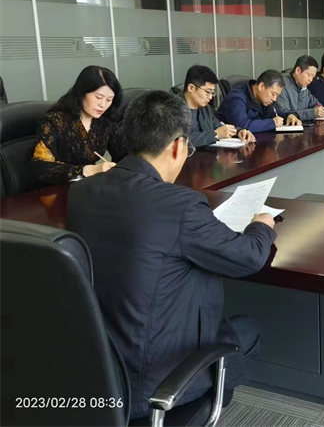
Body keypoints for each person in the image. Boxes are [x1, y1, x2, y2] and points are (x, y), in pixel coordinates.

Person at [66, 91, 278, 418]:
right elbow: (248, 257)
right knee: (248, 330)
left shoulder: (81, 192)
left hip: (96, 370)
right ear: (178, 146)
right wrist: (262, 225)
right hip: (153, 385)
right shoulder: (180, 205)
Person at [31, 65, 126, 183]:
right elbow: (41, 167)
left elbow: (123, 151)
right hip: (58, 187)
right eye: (98, 97)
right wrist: (88, 170)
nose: (102, 105)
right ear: (82, 93)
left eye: (109, 99)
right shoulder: (55, 121)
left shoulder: (104, 121)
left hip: (89, 185)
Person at [182, 65, 254, 148]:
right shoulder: (173, 109)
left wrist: (238, 132)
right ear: (191, 88)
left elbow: (218, 126)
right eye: (207, 92)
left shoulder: (205, 107)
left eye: (212, 93)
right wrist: (215, 134)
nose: (210, 97)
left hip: (206, 154)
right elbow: (180, 140)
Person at [217, 70, 295, 131]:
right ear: (261, 86)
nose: (274, 99)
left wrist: (288, 116)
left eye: (277, 96)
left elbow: (274, 114)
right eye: (273, 94)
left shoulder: (265, 99)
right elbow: (242, 125)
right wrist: (272, 123)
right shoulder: (236, 98)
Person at [276, 55, 324, 122]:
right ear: (298, 70)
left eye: (313, 77)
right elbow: (285, 114)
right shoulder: (282, 85)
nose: (311, 80)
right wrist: (312, 113)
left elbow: (315, 103)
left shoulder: (303, 86)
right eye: (309, 75)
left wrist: (319, 109)